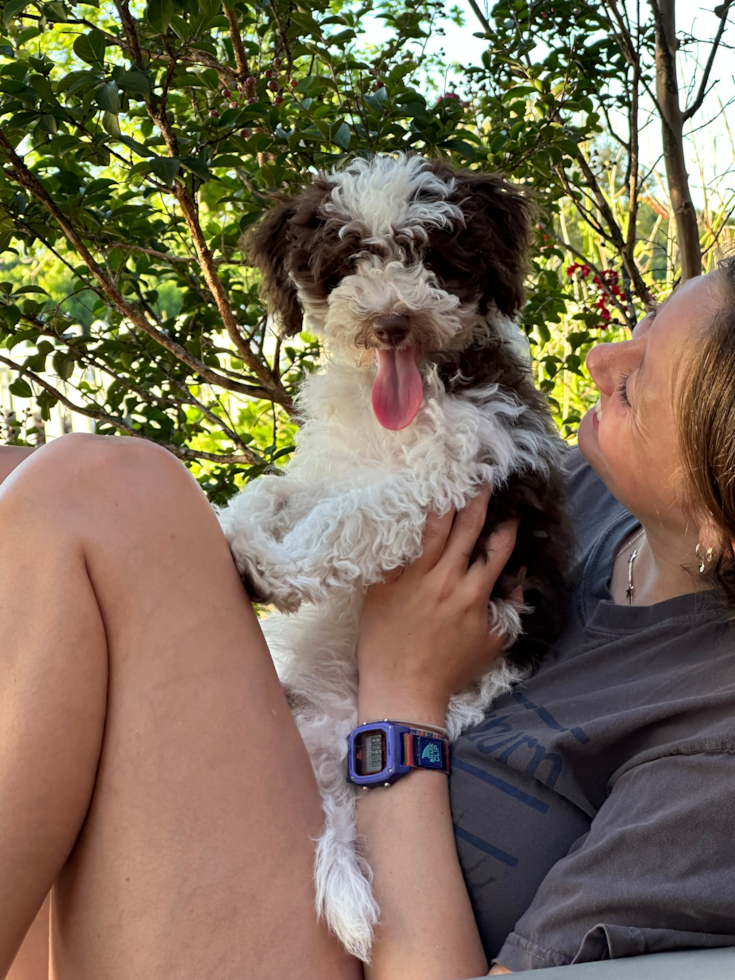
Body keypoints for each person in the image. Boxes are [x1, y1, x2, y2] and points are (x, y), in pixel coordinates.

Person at [2, 258, 735, 980]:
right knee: (46, 488)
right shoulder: (595, 492)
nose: (598, 357)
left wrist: (401, 693)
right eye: (640, 327)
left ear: (715, 523)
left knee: (98, 492)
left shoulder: (713, 749)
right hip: (301, 821)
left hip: (360, 937)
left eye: (637, 385)